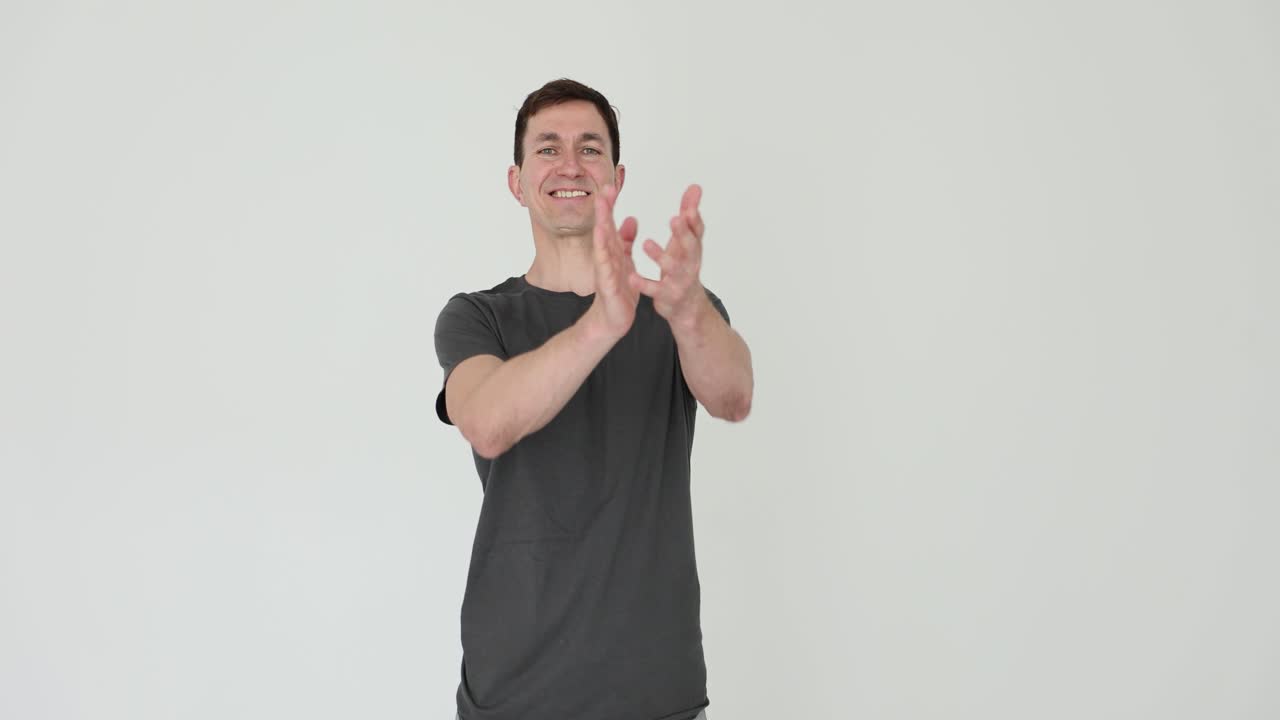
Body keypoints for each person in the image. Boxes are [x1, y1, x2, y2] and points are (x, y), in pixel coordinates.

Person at [434, 78, 754, 720]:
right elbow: (488, 422)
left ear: (616, 177)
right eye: (547, 149)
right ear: (517, 181)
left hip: (654, 688)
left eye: (590, 148)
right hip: (513, 692)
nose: (570, 164)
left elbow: (733, 395)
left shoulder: (678, 310)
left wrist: (688, 311)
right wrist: (602, 324)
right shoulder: (477, 316)